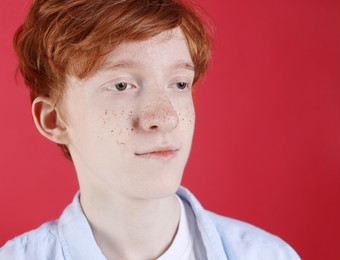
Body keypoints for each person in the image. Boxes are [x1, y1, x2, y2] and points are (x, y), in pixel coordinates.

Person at [0, 0, 300, 259]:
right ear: (54, 120)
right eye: (121, 85)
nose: (165, 116)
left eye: (179, 84)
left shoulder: (268, 255)